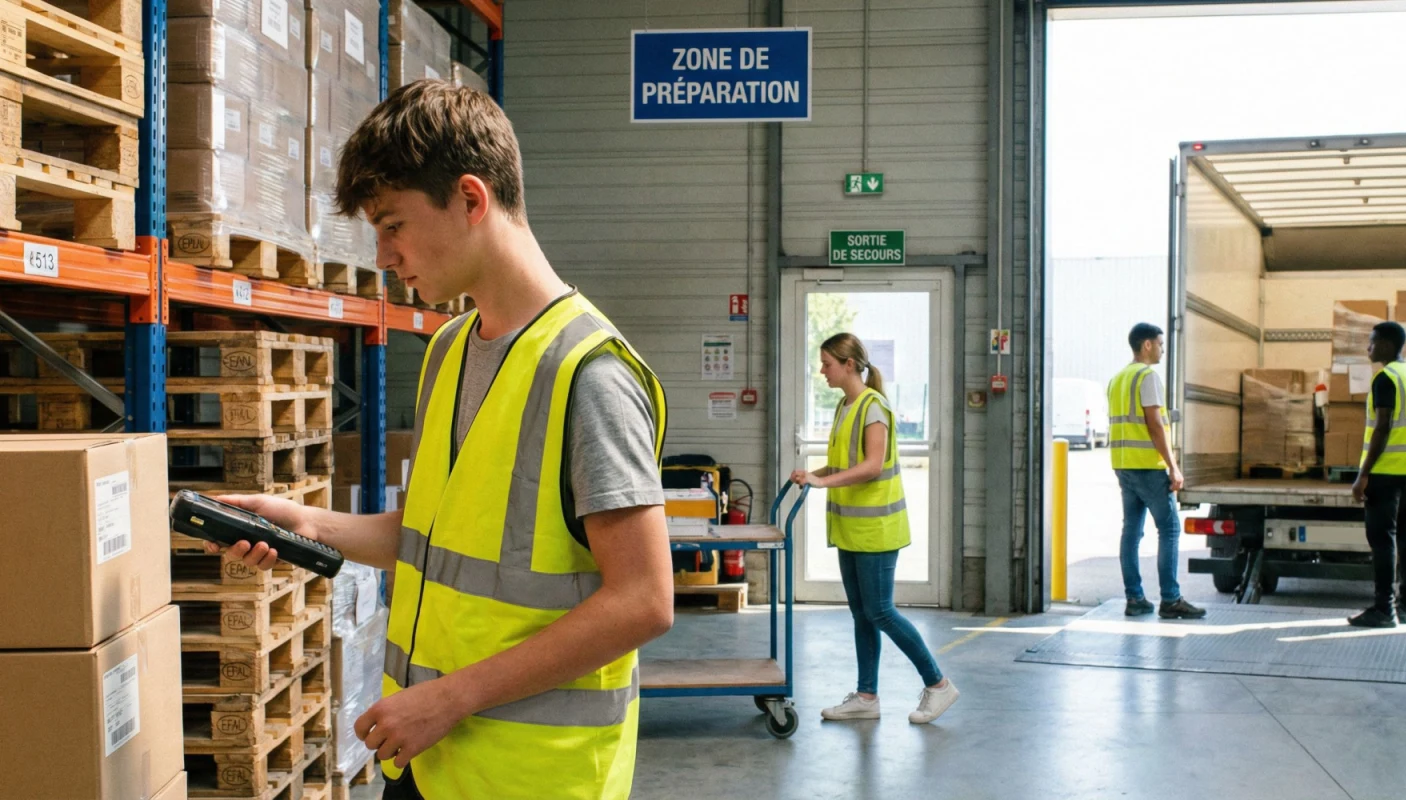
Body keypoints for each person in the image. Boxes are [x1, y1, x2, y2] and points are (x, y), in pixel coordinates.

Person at [204, 81, 675, 800]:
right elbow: (432, 538)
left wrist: (452, 697)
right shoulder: (451, 350)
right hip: (427, 760)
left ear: (471, 199)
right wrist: (306, 524)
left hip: (531, 779)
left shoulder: (590, 375)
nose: (384, 255)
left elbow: (644, 599)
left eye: (392, 224)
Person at [789, 333, 960, 724]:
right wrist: (812, 474)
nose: (822, 371)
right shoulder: (844, 406)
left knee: (881, 611)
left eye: (827, 364)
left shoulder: (874, 407)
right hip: (852, 530)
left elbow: (872, 466)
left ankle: (938, 684)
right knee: (862, 614)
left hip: (877, 530)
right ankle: (866, 697)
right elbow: (844, 464)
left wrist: (822, 482)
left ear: (849, 365)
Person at [1108, 324, 1205, 620]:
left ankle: (1135, 598)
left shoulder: (1117, 379)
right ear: (1147, 345)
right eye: (1160, 344)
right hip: (1149, 467)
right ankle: (1171, 599)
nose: (1163, 349)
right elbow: (1155, 425)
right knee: (1170, 529)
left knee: (1131, 532)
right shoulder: (1147, 377)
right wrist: (1173, 467)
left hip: (1123, 465)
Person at [1349, 321, 1406, 628]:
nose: (1368, 348)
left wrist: (1363, 474)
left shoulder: (1386, 378)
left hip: (1387, 468)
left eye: (1372, 342)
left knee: (1382, 538)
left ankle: (1384, 609)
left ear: (1386, 344)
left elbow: (1382, 427)